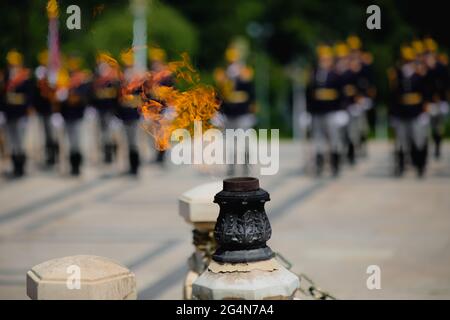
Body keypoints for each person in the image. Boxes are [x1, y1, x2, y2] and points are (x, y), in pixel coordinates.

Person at [214, 42, 256, 176]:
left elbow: (251, 92)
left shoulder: (245, 73)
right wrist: (217, 112)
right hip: (229, 112)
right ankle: (231, 166)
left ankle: (245, 165)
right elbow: (220, 95)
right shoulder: (223, 75)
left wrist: (252, 108)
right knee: (230, 142)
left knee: (244, 141)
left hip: (243, 111)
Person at [388, 45, 429, 177]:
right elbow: (393, 97)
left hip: (416, 112)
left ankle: (420, 166)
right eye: (405, 61)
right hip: (401, 113)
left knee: (418, 140)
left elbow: (425, 94)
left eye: (409, 61)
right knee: (401, 142)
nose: (407, 64)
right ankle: (400, 166)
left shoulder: (419, 76)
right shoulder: (397, 76)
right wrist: (393, 114)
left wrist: (424, 111)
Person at [306, 45, 346, 176]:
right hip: (317, 112)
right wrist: (307, 111)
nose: (324, 61)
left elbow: (341, 93)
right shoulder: (314, 74)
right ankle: (319, 165)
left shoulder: (335, 75)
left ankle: (335, 165)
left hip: (332, 111)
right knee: (318, 140)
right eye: (322, 59)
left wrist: (341, 110)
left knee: (334, 139)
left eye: (326, 59)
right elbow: (309, 93)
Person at [55, 54, 91, 176]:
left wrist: (72, 97)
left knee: (76, 142)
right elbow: (59, 96)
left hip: (77, 114)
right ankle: (71, 166)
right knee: (68, 143)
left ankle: (76, 167)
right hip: (66, 115)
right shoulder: (64, 79)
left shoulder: (82, 79)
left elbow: (84, 95)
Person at [1, 50, 33, 178]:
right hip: (9, 113)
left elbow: (29, 96)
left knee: (20, 141)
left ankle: (21, 166)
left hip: (20, 113)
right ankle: (15, 166)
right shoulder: (5, 78)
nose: (12, 67)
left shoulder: (25, 77)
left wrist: (28, 109)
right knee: (11, 142)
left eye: (15, 64)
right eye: (11, 64)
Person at [92, 52, 121, 164]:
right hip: (100, 110)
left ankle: (114, 153)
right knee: (103, 134)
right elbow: (93, 95)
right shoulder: (96, 81)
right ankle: (106, 154)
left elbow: (118, 97)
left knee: (113, 134)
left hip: (112, 111)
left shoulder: (114, 81)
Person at [422, 37, 449, 159]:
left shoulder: (441, 67)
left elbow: (446, 84)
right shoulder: (422, 68)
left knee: (438, 128)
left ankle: (437, 148)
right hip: (427, 103)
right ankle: (425, 150)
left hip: (439, 102)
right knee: (425, 129)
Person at [117, 50, 141, 176]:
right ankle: (131, 166)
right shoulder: (121, 81)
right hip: (125, 115)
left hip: (134, 115)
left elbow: (141, 99)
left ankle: (135, 167)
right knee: (127, 142)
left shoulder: (137, 82)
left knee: (134, 142)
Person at [33, 50, 58, 167]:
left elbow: (54, 92)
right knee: (45, 133)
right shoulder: (40, 78)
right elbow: (37, 94)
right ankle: (49, 155)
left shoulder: (52, 75)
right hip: (42, 109)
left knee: (52, 133)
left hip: (52, 109)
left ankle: (54, 154)